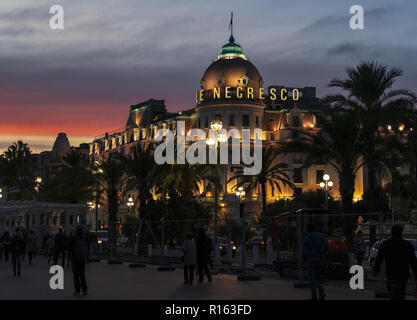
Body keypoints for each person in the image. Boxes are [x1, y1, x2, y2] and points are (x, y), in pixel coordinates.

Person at [373, 224, 417, 300]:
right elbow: (413, 261)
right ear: (401, 233)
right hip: (403, 274)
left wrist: (376, 269)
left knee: (393, 294)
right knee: (401, 294)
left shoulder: (386, 244)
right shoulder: (407, 245)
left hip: (391, 273)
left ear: (391, 233)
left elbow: (379, 258)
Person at [302, 223, 329, 300]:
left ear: (307, 230)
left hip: (310, 260)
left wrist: (304, 260)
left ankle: (314, 296)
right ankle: (322, 292)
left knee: (312, 279)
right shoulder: (321, 236)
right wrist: (322, 252)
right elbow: (327, 246)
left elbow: (303, 251)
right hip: (319, 259)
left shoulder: (306, 238)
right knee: (318, 277)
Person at [69, 226, 88, 296]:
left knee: (76, 275)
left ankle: (77, 290)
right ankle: (85, 290)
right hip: (82, 259)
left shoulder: (74, 238)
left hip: (75, 259)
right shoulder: (83, 238)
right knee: (82, 275)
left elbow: (70, 247)